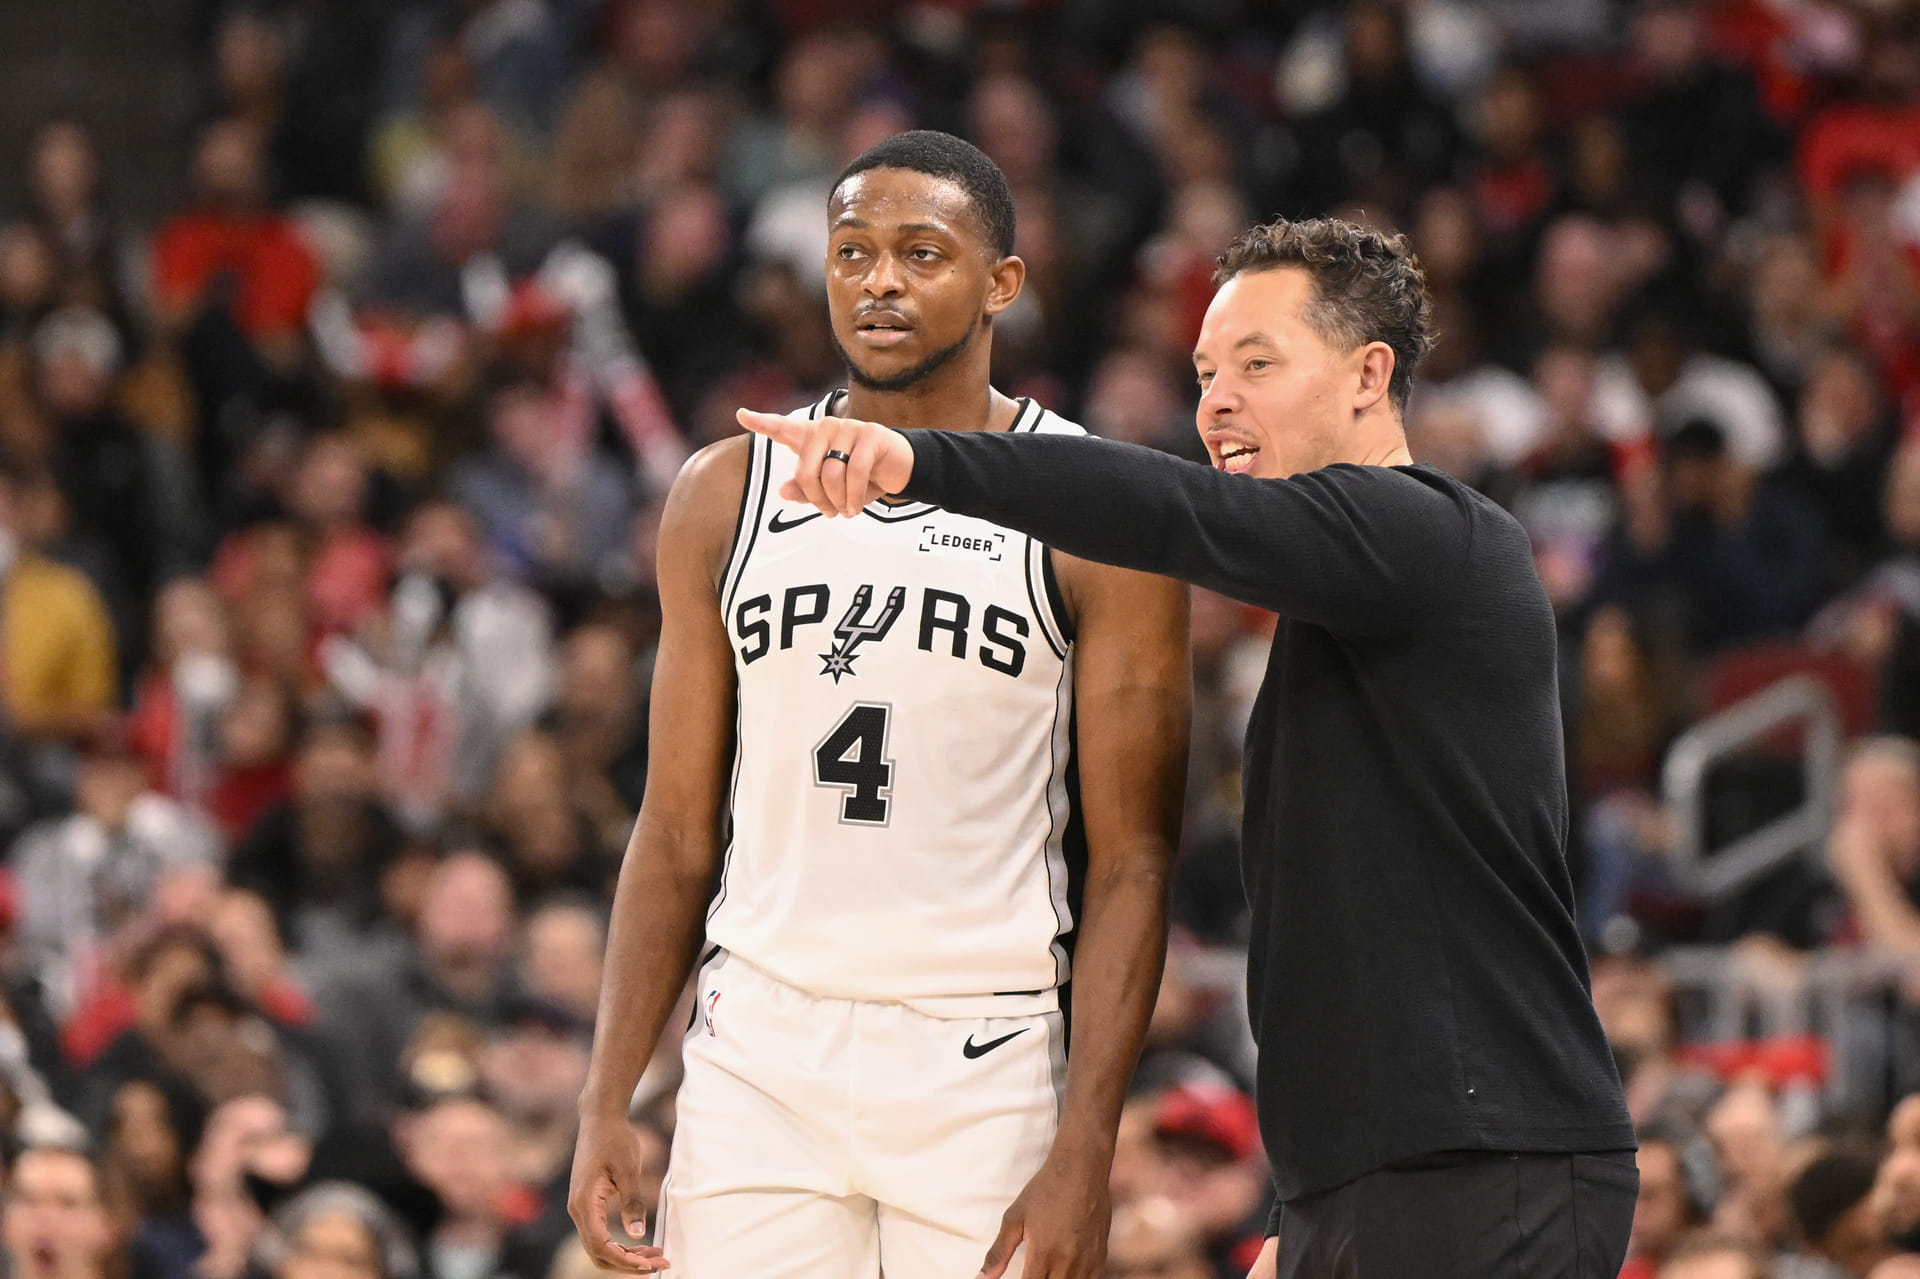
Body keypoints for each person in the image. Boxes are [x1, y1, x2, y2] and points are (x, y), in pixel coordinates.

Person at [742, 214, 1638, 1277]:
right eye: (1207, 370)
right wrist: (1303, 1209)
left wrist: (920, 460)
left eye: (1258, 364)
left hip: (1483, 1161)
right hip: (1382, 1171)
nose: (1215, 402)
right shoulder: (1354, 600)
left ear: (1370, 374)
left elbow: (1171, 509)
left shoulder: (1435, 533)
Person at [568, 130, 1190, 1278]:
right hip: (758, 1046)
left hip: (981, 1050)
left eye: (921, 253)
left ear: (1003, 281)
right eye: (851, 253)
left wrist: (1087, 1143)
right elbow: (670, 830)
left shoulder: (1097, 508)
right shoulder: (725, 493)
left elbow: (1137, 859)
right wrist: (610, 1090)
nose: (880, 283)